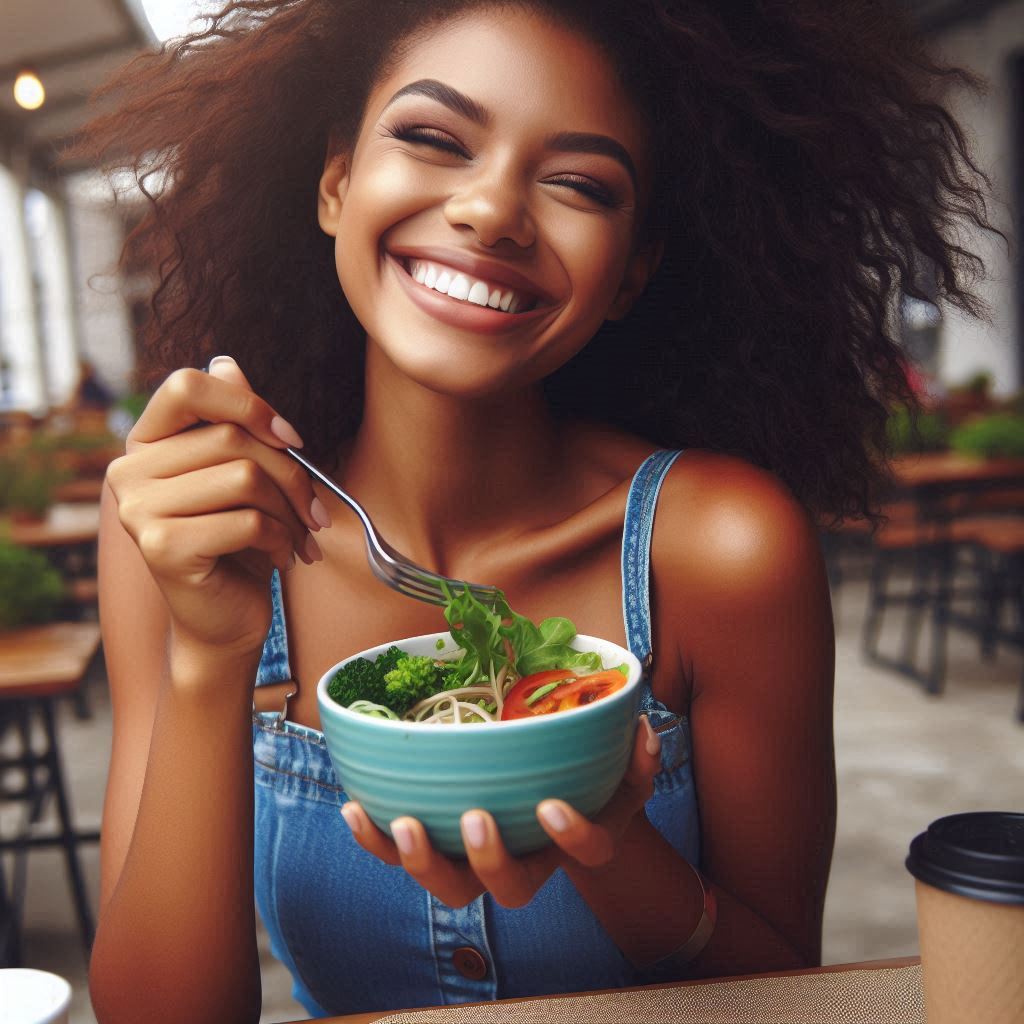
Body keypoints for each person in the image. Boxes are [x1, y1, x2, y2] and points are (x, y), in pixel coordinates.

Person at [78, 1, 998, 1021]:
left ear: (631, 271)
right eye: (433, 138)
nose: (491, 211)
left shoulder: (721, 550)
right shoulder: (189, 536)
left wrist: (611, 845)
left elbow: (781, 989)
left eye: (578, 184)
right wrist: (212, 657)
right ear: (336, 181)